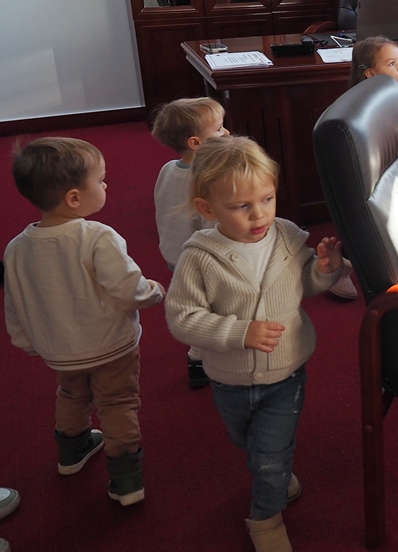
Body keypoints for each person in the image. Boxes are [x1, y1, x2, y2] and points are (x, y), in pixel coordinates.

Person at [164, 135, 344, 552]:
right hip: (228, 379)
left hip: (287, 372)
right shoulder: (199, 257)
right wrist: (238, 333)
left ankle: (265, 518)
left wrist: (325, 269)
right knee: (246, 441)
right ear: (207, 209)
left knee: (270, 452)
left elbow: (305, 285)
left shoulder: (287, 237)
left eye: (266, 199)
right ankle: (273, 469)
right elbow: (182, 318)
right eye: (241, 206)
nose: (259, 213)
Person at [4, 138, 163, 506]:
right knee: (118, 403)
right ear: (74, 198)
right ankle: (126, 480)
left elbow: (15, 301)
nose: (106, 185)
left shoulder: (16, 248)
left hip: (59, 350)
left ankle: (71, 451)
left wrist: (25, 341)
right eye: (101, 180)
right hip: (111, 346)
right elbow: (127, 289)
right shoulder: (96, 236)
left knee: (72, 394)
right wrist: (153, 292)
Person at [150, 97, 230, 388]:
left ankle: (199, 354)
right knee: (214, 306)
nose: (226, 133)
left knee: (196, 301)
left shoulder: (167, 169)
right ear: (196, 143)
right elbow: (212, 227)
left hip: (174, 252)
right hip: (202, 259)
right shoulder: (208, 178)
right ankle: (200, 357)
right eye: (218, 129)